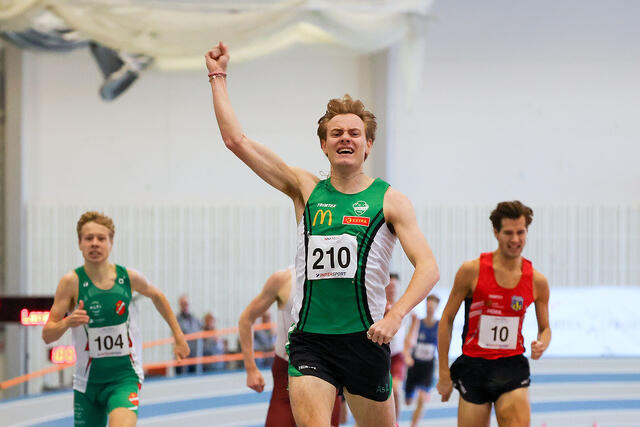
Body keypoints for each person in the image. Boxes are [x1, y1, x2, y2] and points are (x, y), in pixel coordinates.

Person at [206, 41, 440, 427]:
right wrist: (218, 76)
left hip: (367, 340)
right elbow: (237, 141)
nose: (345, 138)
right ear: (323, 144)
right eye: (336, 133)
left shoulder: (391, 201)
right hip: (311, 341)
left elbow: (428, 267)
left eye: (354, 133)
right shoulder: (305, 189)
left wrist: (396, 316)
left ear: (368, 145)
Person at [42, 211, 189, 427]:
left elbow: (158, 296)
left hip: (124, 379)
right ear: (80, 244)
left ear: (111, 243)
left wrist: (178, 336)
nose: (95, 244)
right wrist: (68, 321)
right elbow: (47, 334)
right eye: (88, 238)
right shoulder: (71, 282)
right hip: (87, 383)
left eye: (101, 239)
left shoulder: (127, 277)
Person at [436, 201, 551, 427]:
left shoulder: (537, 281)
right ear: (496, 232)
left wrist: (543, 343)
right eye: (508, 233)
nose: (515, 240)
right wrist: (443, 373)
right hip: (473, 366)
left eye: (521, 232)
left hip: (511, 366)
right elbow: (447, 319)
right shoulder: (472, 271)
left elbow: (545, 328)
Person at [239, 267, 342, 427]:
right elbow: (246, 319)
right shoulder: (283, 280)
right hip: (286, 373)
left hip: (327, 375)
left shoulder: (342, 278)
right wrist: (251, 368)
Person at [386, 272, 425, 420]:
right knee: (375, 394)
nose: (391, 289)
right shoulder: (377, 304)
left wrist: (409, 345)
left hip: (397, 355)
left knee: (395, 390)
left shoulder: (402, 306)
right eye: (389, 286)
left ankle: (395, 422)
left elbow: (416, 319)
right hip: (379, 355)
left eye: (394, 287)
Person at [403, 294, 440, 427]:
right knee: (408, 401)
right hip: (414, 365)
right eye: (428, 306)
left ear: (436, 308)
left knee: (422, 399)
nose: (429, 309)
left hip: (428, 367)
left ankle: (413, 425)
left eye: (432, 307)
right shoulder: (417, 323)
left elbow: (442, 347)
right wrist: (406, 355)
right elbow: (407, 341)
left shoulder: (439, 325)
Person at [176, 294, 202, 374]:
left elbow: (201, 331)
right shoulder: (176, 320)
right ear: (180, 305)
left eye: (187, 304)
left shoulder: (195, 319)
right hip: (183, 356)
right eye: (183, 304)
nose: (185, 306)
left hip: (196, 354)